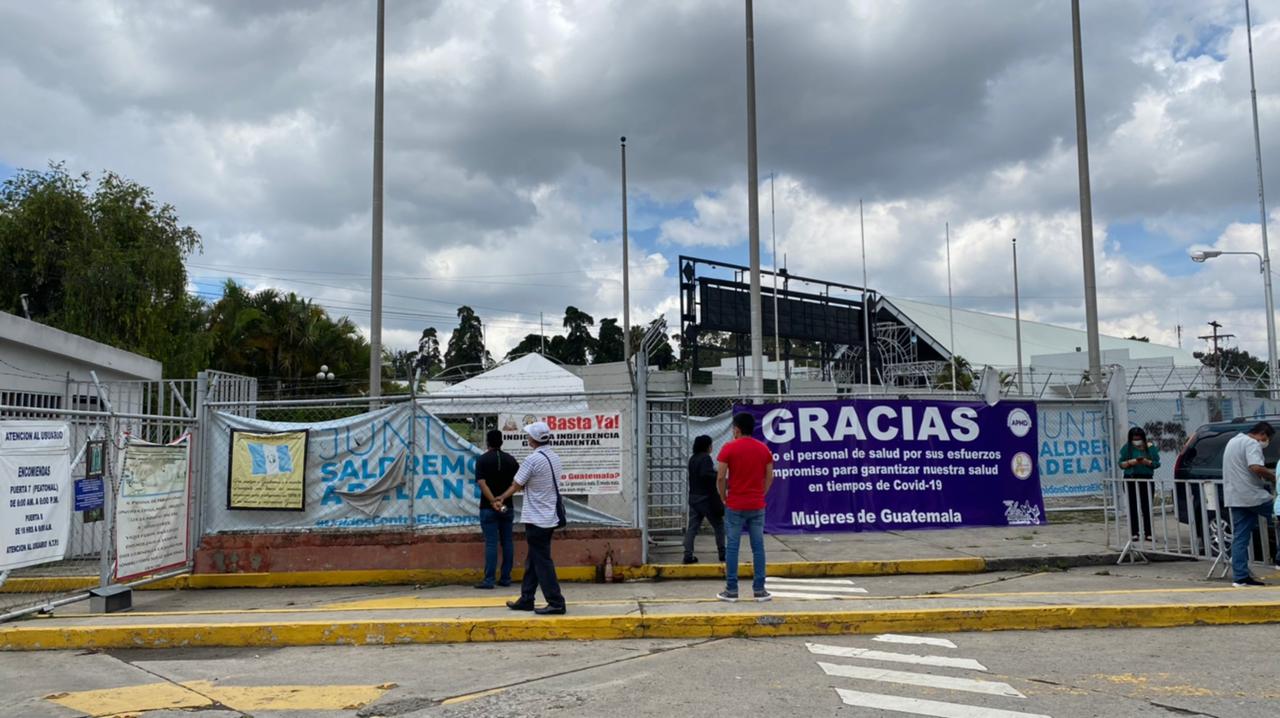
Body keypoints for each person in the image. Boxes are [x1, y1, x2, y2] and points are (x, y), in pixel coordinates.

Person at [494, 421, 567, 614]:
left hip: (536, 517)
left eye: (528, 435)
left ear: (533, 439)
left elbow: (517, 484)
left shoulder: (533, 459)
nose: (527, 438)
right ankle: (527, 598)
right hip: (549, 516)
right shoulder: (554, 457)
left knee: (542, 561)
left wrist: (501, 497)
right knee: (534, 560)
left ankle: (556, 602)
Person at [716, 412, 774, 603]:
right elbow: (770, 476)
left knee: (733, 547)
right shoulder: (763, 449)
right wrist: (761, 493)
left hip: (735, 504)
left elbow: (721, 476)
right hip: (757, 504)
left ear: (737, 429)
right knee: (758, 547)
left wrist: (723, 495)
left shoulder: (728, 448)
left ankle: (731, 590)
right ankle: (760, 589)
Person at [1222, 421, 1279, 587]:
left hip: (1235, 496)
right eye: (1266, 439)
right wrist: (1274, 478)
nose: (1265, 443)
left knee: (1240, 536)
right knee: (1278, 515)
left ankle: (1240, 577)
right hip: (1253, 495)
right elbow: (1255, 467)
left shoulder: (1233, 441)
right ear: (1262, 434)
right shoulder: (1252, 444)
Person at [473, 429, 518, 589]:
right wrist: (502, 499)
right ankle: (506, 578)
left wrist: (493, 501)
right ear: (502, 442)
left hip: (488, 507)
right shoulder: (511, 460)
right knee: (507, 542)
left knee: (491, 543)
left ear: (488, 442)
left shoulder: (482, 460)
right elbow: (516, 484)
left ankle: (489, 580)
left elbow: (482, 483)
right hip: (507, 506)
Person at [683, 434, 725, 565]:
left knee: (693, 528)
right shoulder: (706, 458)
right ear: (707, 446)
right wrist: (717, 474)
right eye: (710, 445)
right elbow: (706, 474)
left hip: (693, 497)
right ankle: (722, 553)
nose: (712, 447)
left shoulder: (692, 459)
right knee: (719, 525)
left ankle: (688, 555)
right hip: (705, 498)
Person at [1118, 427, 1159, 541]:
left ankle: (1148, 532)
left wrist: (1146, 462)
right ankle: (1134, 532)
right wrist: (1131, 462)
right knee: (1132, 506)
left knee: (1146, 507)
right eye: (1134, 439)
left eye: (1139, 439)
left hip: (1146, 478)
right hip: (1131, 478)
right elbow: (1121, 464)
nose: (1136, 441)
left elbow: (1156, 463)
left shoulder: (1150, 448)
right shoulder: (1127, 448)